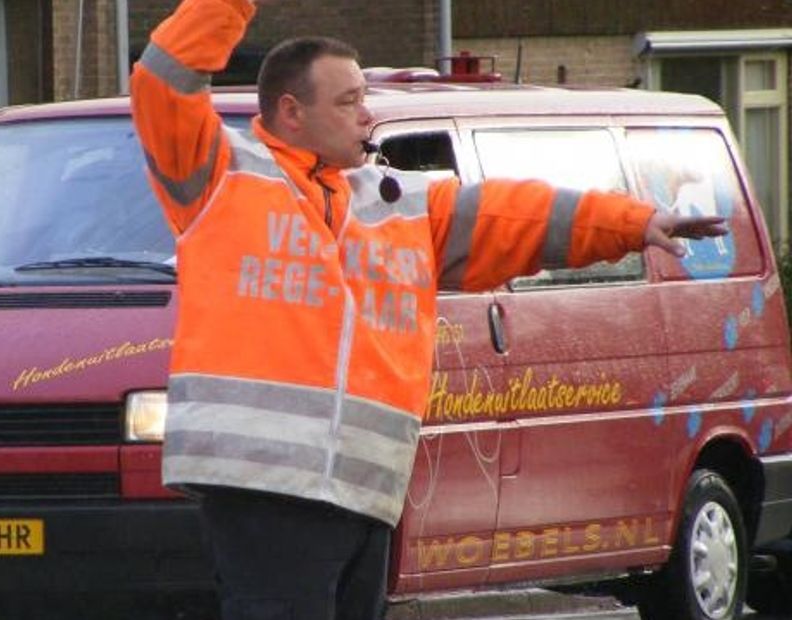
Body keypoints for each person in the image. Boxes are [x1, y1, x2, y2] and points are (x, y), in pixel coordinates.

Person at [130, 1, 727, 619]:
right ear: (290, 111)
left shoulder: (396, 204)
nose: (366, 115)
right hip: (264, 490)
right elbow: (161, 78)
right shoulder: (219, 176)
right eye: (347, 101)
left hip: (364, 494)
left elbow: (517, 213)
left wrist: (637, 222)